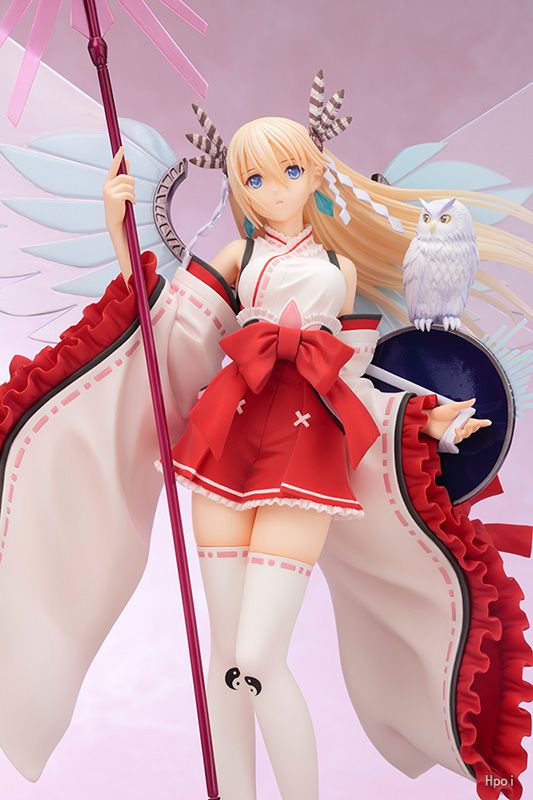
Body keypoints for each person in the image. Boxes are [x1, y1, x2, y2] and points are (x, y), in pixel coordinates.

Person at [1, 72, 532, 800]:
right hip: (225, 443)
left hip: (306, 457)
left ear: (312, 173)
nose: (273, 189)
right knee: (225, 658)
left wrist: (423, 417)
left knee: (256, 655)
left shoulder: (340, 270)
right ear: (240, 188)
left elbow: (353, 378)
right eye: (254, 177)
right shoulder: (238, 259)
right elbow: (173, 333)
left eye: (287, 170)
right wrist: (119, 235)